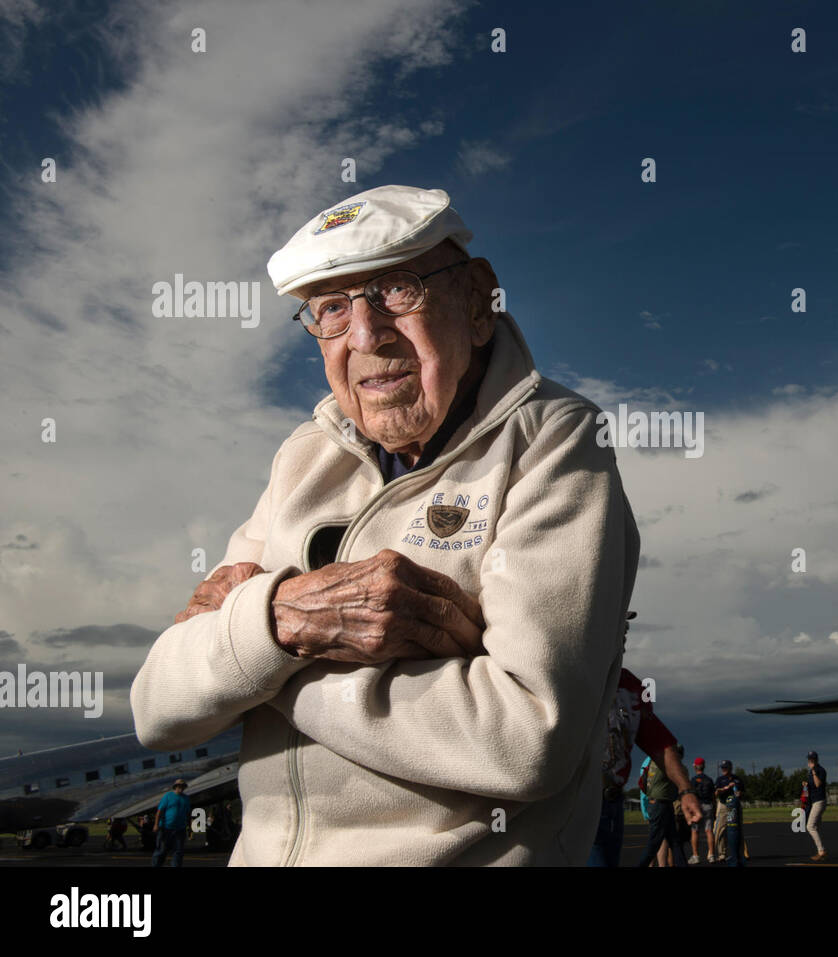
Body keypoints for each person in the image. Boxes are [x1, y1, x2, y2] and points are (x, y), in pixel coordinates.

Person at [130, 186, 641, 866]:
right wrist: (283, 621)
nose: (366, 336)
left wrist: (258, 654)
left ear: (478, 300)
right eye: (332, 310)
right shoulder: (304, 457)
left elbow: (526, 737)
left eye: (398, 288)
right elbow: (157, 706)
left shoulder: (554, 440)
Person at [589, 665, 701, 867]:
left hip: (611, 803)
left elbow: (660, 744)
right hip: (573, 803)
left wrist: (686, 791)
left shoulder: (630, 686)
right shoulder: (566, 671)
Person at [638, 744, 693, 867]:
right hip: (661, 804)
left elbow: (644, 785)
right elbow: (682, 783)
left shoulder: (654, 761)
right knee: (655, 842)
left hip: (659, 803)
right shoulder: (673, 766)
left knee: (674, 841)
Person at [152, 779, 191, 868]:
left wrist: (189, 826)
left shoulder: (186, 798)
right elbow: (160, 811)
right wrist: (156, 824)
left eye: (183, 786)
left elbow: (188, 813)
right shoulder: (168, 796)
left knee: (178, 851)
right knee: (161, 850)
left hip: (180, 829)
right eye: (179, 786)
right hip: (166, 828)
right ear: (175, 787)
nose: (181, 788)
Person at [715, 760, 745, 866]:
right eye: (722, 768)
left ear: (730, 768)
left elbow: (742, 791)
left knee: (738, 829)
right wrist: (726, 788)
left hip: (735, 805)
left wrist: (738, 792)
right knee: (720, 830)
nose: (723, 769)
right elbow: (716, 792)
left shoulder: (737, 779)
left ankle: (739, 853)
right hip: (723, 805)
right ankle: (722, 854)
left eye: (725, 768)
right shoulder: (720, 779)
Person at [688, 757, 717, 864]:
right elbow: (713, 797)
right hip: (708, 805)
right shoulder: (709, 780)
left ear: (695, 766)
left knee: (695, 831)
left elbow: (690, 795)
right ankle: (712, 855)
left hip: (697, 806)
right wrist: (714, 809)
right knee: (709, 831)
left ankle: (696, 856)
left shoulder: (693, 780)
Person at [804, 750, 829, 862]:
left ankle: (821, 850)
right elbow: (811, 786)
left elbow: (818, 784)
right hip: (814, 801)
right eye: (809, 759)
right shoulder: (810, 772)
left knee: (810, 826)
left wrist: (814, 772)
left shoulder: (821, 770)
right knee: (816, 826)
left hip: (819, 801)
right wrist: (805, 785)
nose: (810, 761)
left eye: (812, 759)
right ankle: (821, 850)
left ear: (816, 760)